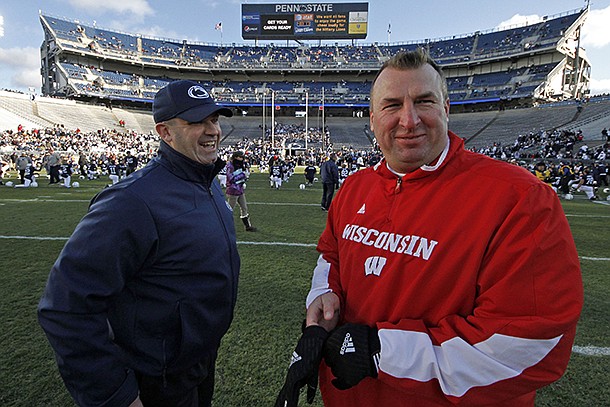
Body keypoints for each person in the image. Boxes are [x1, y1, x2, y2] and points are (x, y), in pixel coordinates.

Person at [277, 50, 582, 407]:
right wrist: (322, 299)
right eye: (392, 106)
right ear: (372, 120)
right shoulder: (355, 187)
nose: (409, 120)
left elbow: (531, 341)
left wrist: (380, 351)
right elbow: (332, 256)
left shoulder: (519, 197)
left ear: (446, 109)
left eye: (424, 101)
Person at [38, 79, 240, 407]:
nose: (212, 130)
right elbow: (66, 305)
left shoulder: (207, 182)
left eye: (214, 119)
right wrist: (115, 395)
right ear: (164, 132)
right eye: (196, 122)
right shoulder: (131, 201)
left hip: (196, 365)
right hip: (156, 379)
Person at [226, 150, 257, 231]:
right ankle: (224, 225)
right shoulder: (230, 166)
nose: (242, 159)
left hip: (240, 189)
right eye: (240, 157)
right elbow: (230, 178)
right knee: (229, 209)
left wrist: (243, 179)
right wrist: (243, 175)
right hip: (233, 190)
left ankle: (247, 226)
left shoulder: (238, 165)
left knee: (244, 208)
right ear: (236, 157)